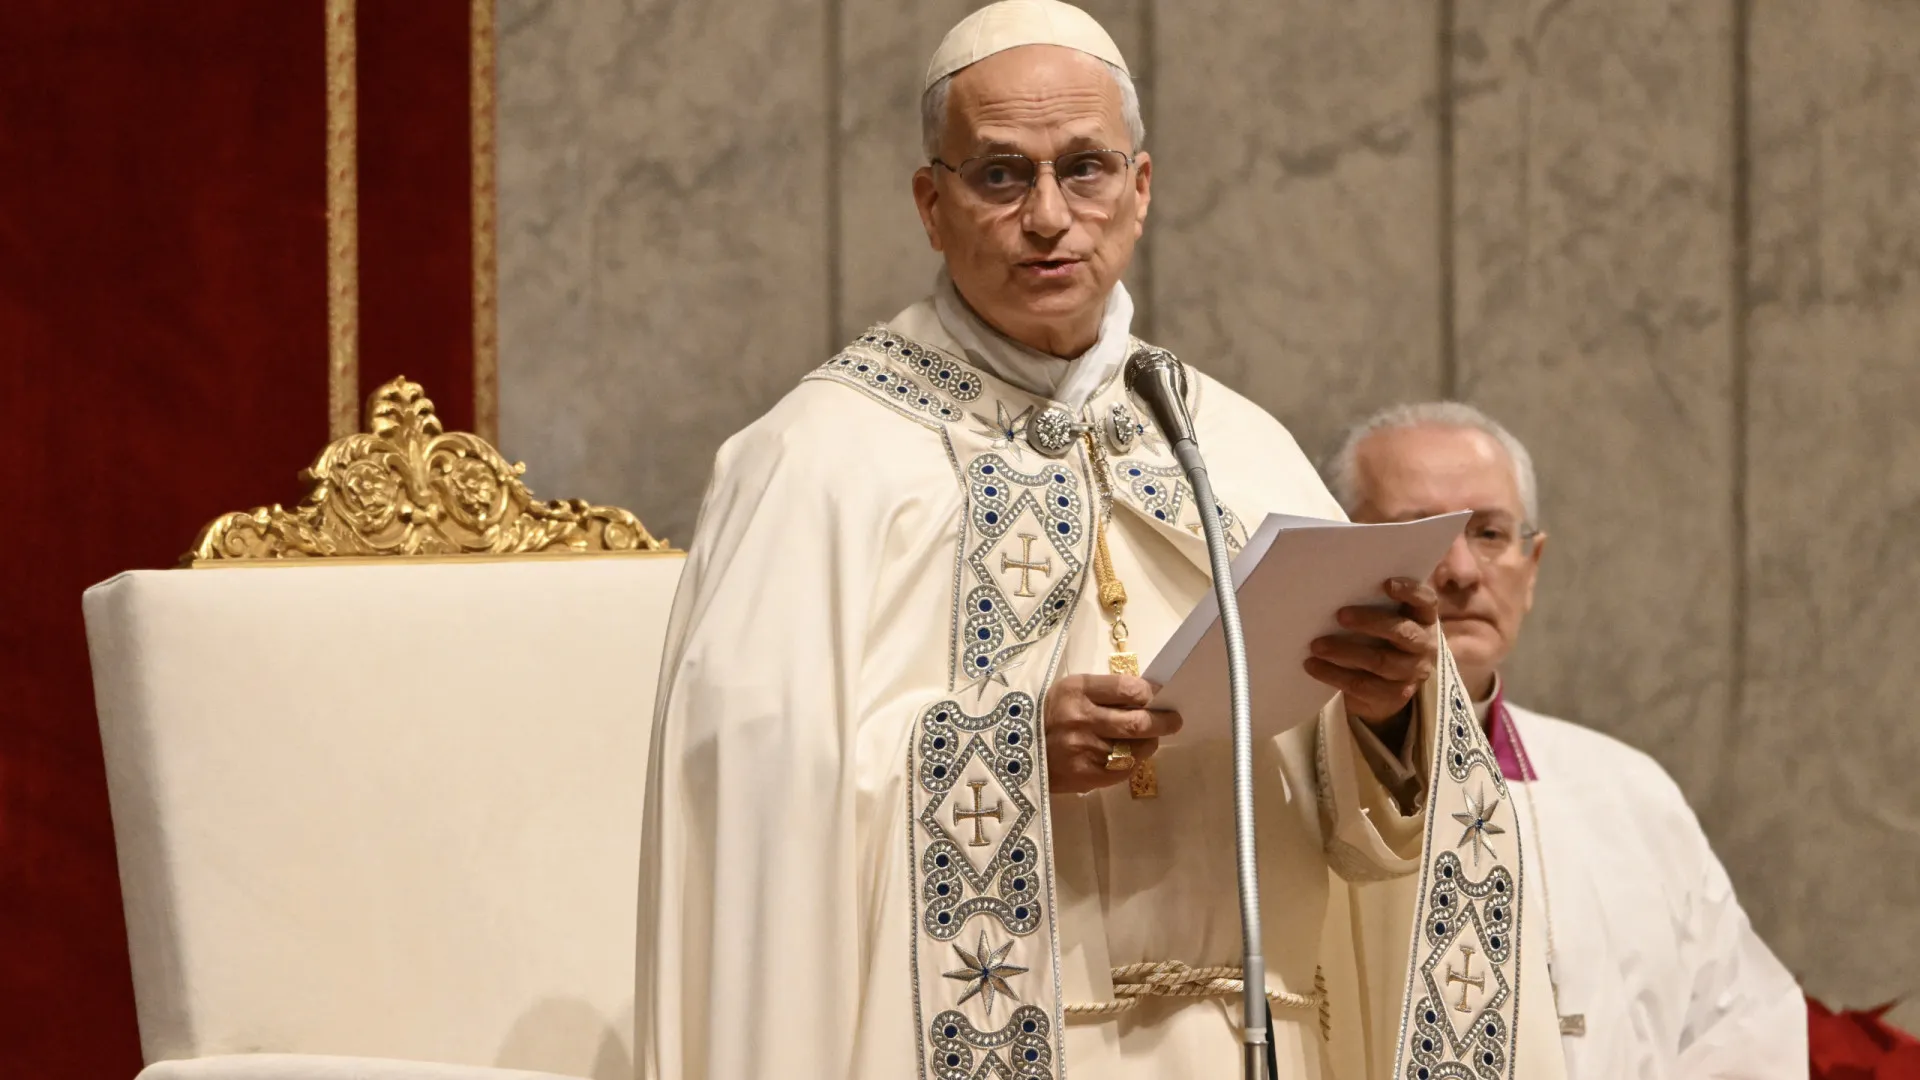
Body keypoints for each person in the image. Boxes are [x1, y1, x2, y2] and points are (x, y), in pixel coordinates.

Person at [636, 4, 1563, 1077]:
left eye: (1084, 170)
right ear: (930, 205)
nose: (1047, 216)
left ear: (1142, 188)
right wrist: (1005, 755)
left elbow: (1357, 830)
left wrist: (1387, 713)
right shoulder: (819, 460)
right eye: (998, 176)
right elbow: (754, 802)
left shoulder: (1232, 442)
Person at [1326, 400, 1808, 1079]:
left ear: (1533, 565)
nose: (1461, 570)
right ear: (1341, 554)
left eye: (1490, 533)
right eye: (1423, 533)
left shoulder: (1630, 793)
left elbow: (1741, 1029)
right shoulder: (1279, 782)